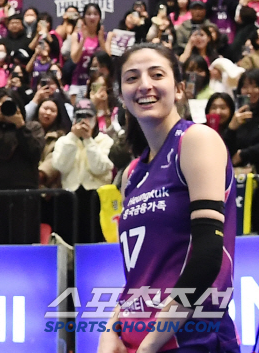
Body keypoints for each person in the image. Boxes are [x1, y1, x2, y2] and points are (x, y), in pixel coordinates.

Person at [99, 43, 238, 353]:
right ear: (122, 94)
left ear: (178, 89)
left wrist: (151, 344)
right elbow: (139, 274)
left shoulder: (196, 140)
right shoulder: (132, 172)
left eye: (156, 74)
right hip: (139, 339)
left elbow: (206, 257)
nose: (145, 84)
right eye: (132, 77)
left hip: (191, 339)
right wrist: (113, 330)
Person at [0, 90, 45, 244]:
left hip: (24, 196)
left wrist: (20, 127)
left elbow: (35, 153)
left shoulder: (32, 128)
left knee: (23, 242)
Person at [51, 98, 113, 243]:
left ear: (95, 120)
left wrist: (88, 140)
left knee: (95, 241)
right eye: (80, 117)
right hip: (70, 200)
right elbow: (60, 165)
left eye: (88, 117)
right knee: (69, 241)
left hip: (96, 200)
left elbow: (99, 168)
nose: (84, 121)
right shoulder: (64, 141)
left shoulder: (105, 141)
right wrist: (73, 137)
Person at [224, 69, 259, 172]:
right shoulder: (237, 114)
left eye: (255, 86)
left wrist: (243, 154)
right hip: (241, 176)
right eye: (245, 86)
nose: (249, 91)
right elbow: (226, 149)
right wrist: (231, 128)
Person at [69, 3, 105, 103]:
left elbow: (108, 60)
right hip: (78, 83)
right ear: (84, 17)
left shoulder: (104, 36)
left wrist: (101, 41)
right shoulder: (76, 36)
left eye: (95, 14)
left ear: (100, 17)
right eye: (88, 14)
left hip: (98, 82)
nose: (92, 17)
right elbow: (74, 59)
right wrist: (83, 40)